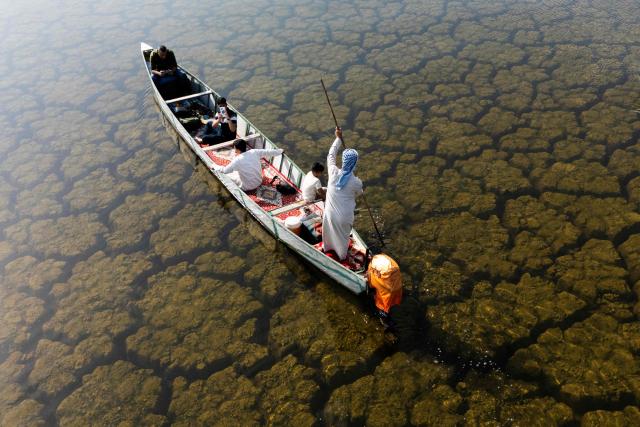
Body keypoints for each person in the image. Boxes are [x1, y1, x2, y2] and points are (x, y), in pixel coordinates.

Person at [322, 127, 363, 261]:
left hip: (329, 213)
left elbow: (331, 155)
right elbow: (359, 192)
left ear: (344, 161)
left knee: (328, 235)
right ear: (354, 164)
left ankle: (327, 250)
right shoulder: (356, 182)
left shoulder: (333, 171)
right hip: (344, 217)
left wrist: (338, 138)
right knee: (342, 240)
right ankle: (341, 257)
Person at [213, 139, 283, 191]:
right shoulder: (254, 152)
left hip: (247, 187)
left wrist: (215, 166)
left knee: (226, 174)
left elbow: (225, 171)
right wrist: (280, 151)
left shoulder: (237, 160)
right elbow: (269, 152)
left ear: (236, 149)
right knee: (237, 170)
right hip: (259, 181)